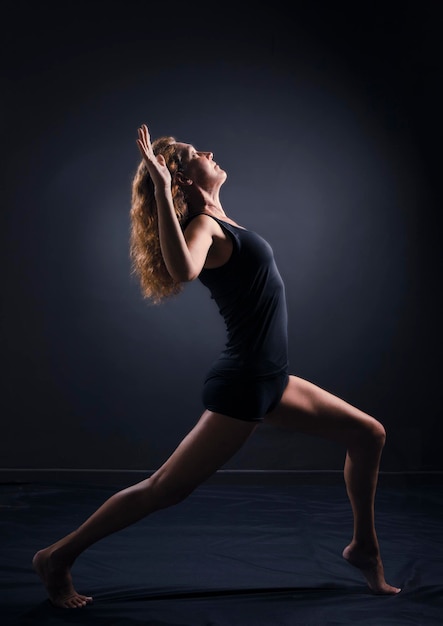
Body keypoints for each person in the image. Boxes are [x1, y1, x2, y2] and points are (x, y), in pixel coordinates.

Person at [32, 124, 401, 608]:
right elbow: (183, 270)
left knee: (368, 434)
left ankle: (364, 549)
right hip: (245, 384)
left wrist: (174, 190)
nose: (207, 151)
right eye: (193, 154)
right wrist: (162, 190)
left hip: (274, 380)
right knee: (163, 489)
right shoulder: (202, 227)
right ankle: (57, 557)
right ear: (181, 177)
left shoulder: (222, 219)